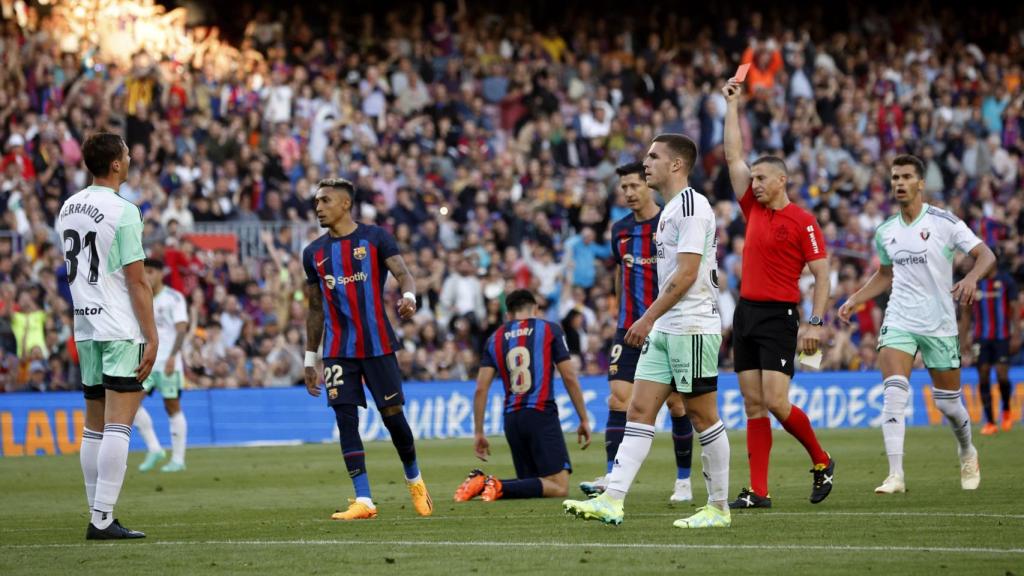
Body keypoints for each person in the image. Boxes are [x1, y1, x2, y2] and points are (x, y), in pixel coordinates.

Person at [563, 134, 731, 529]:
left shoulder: (691, 206)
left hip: (691, 326)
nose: (646, 164)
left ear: (676, 165)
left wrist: (646, 317)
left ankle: (718, 508)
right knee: (638, 410)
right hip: (668, 325)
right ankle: (613, 499)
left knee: (701, 416)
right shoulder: (671, 211)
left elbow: (687, 274)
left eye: (653, 157)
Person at [839, 154, 995, 494]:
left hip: (939, 322)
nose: (899, 183)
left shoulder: (943, 222)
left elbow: (987, 255)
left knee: (948, 404)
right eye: (895, 177)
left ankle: (967, 450)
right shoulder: (886, 232)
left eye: (906, 177)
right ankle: (895, 474)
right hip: (900, 318)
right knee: (894, 392)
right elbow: (884, 275)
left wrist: (970, 278)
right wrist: (855, 299)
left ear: (920, 183)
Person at [722, 80, 835, 509]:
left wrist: (815, 321)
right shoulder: (752, 208)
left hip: (779, 317)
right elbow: (733, 154)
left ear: (782, 179)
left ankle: (822, 460)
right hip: (746, 315)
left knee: (775, 401)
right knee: (753, 405)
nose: (754, 184)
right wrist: (732, 106)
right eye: (752, 179)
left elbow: (822, 276)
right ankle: (759, 492)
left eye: (762, 178)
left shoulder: (802, 220)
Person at [302, 177, 433, 520]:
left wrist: (408, 297)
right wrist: (309, 358)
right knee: (346, 418)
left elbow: (404, 274)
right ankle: (364, 500)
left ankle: (415, 480)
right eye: (317, 202)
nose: (318, 207)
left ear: (345, 204)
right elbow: (315, 309)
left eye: (325, 200)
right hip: (337, 350)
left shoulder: (375, 237)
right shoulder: (313, 253)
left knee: (394, 420)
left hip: (377, 344)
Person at [55, 131, 158, 539]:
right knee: (119, 424)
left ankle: (96, 511)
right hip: (118, 325)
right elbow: (137, 281)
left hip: (85, 324)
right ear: (116, 163)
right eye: (127, 155)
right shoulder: (124, 210)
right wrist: (151, 336)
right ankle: (101, 519)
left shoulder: (68, 207)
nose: (131, 159)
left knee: (93, 424)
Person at [577, 161, 694, 503]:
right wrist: (619, 311)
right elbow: (620, 272)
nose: (628, 193)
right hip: (628, 328)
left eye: (634, 186)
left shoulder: (670, 223)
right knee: (618, 398)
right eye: (623, 187)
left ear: (649, 186)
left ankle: (684, 480)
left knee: (676, 405)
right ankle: (612, 474)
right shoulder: (620, 230)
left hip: (668, 326)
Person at [454, 289, 591, 501]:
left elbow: (481, 388)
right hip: (540, 413)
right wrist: (583, 418)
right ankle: (494, 484)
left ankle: (481, 484)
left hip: (512, 420)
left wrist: (479, 432)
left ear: (508, 314)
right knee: (559, 486)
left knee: (533, 485)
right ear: (535, 309)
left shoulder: (495, 338)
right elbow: (570, 377)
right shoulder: (549, 329)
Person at [133, 258, 189, 472]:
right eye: (144, 272)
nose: (147, 276)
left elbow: (182, 329)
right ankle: (155, 448)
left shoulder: (174, 298)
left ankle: (178, 459)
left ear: (160, 274)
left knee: (172, 406)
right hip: (146, 359)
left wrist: (174, 356)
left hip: (167, 360)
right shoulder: (139, 297)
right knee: (131, 403)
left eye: (151, 272)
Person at [965, 262, 1019, 434]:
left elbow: (1015, 309)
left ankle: (1007, 411)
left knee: (1002, 375)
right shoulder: (974, 282)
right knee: (983, 375)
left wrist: (1016, 335)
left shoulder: (1006, 281)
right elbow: (965, 312)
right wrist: (963, 336)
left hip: (1002, 337)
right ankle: (990, 422)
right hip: (980, 338)